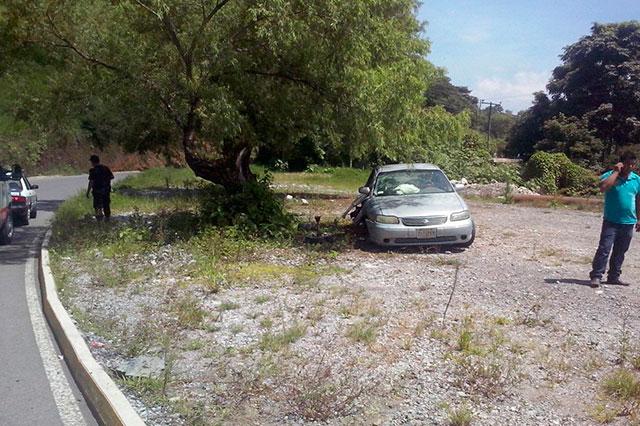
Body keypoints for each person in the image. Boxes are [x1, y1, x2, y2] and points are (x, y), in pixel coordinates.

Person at [589, 151, 640, 288]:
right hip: (611, 221)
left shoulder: (636, 179)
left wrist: (639, 219)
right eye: (628, 164)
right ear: (622, 163)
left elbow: (638, 200)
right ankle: (596, 276)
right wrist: (616, 172)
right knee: (604, 248)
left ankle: (614, 276)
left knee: (621, 251)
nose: (631, 167)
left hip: (628, 222)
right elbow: (603, 187)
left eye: (633, 164)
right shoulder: (610, 175)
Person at [86, 155, 114, 221]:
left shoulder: (93, 170)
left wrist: (88, 192)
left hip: (97, 191)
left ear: (93, 162)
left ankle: (99, 220)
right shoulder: (105, 168)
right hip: (106, 190)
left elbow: (91, 182)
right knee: (106, 204)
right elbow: (111, 177)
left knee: (97, 205)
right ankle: (107, 219)